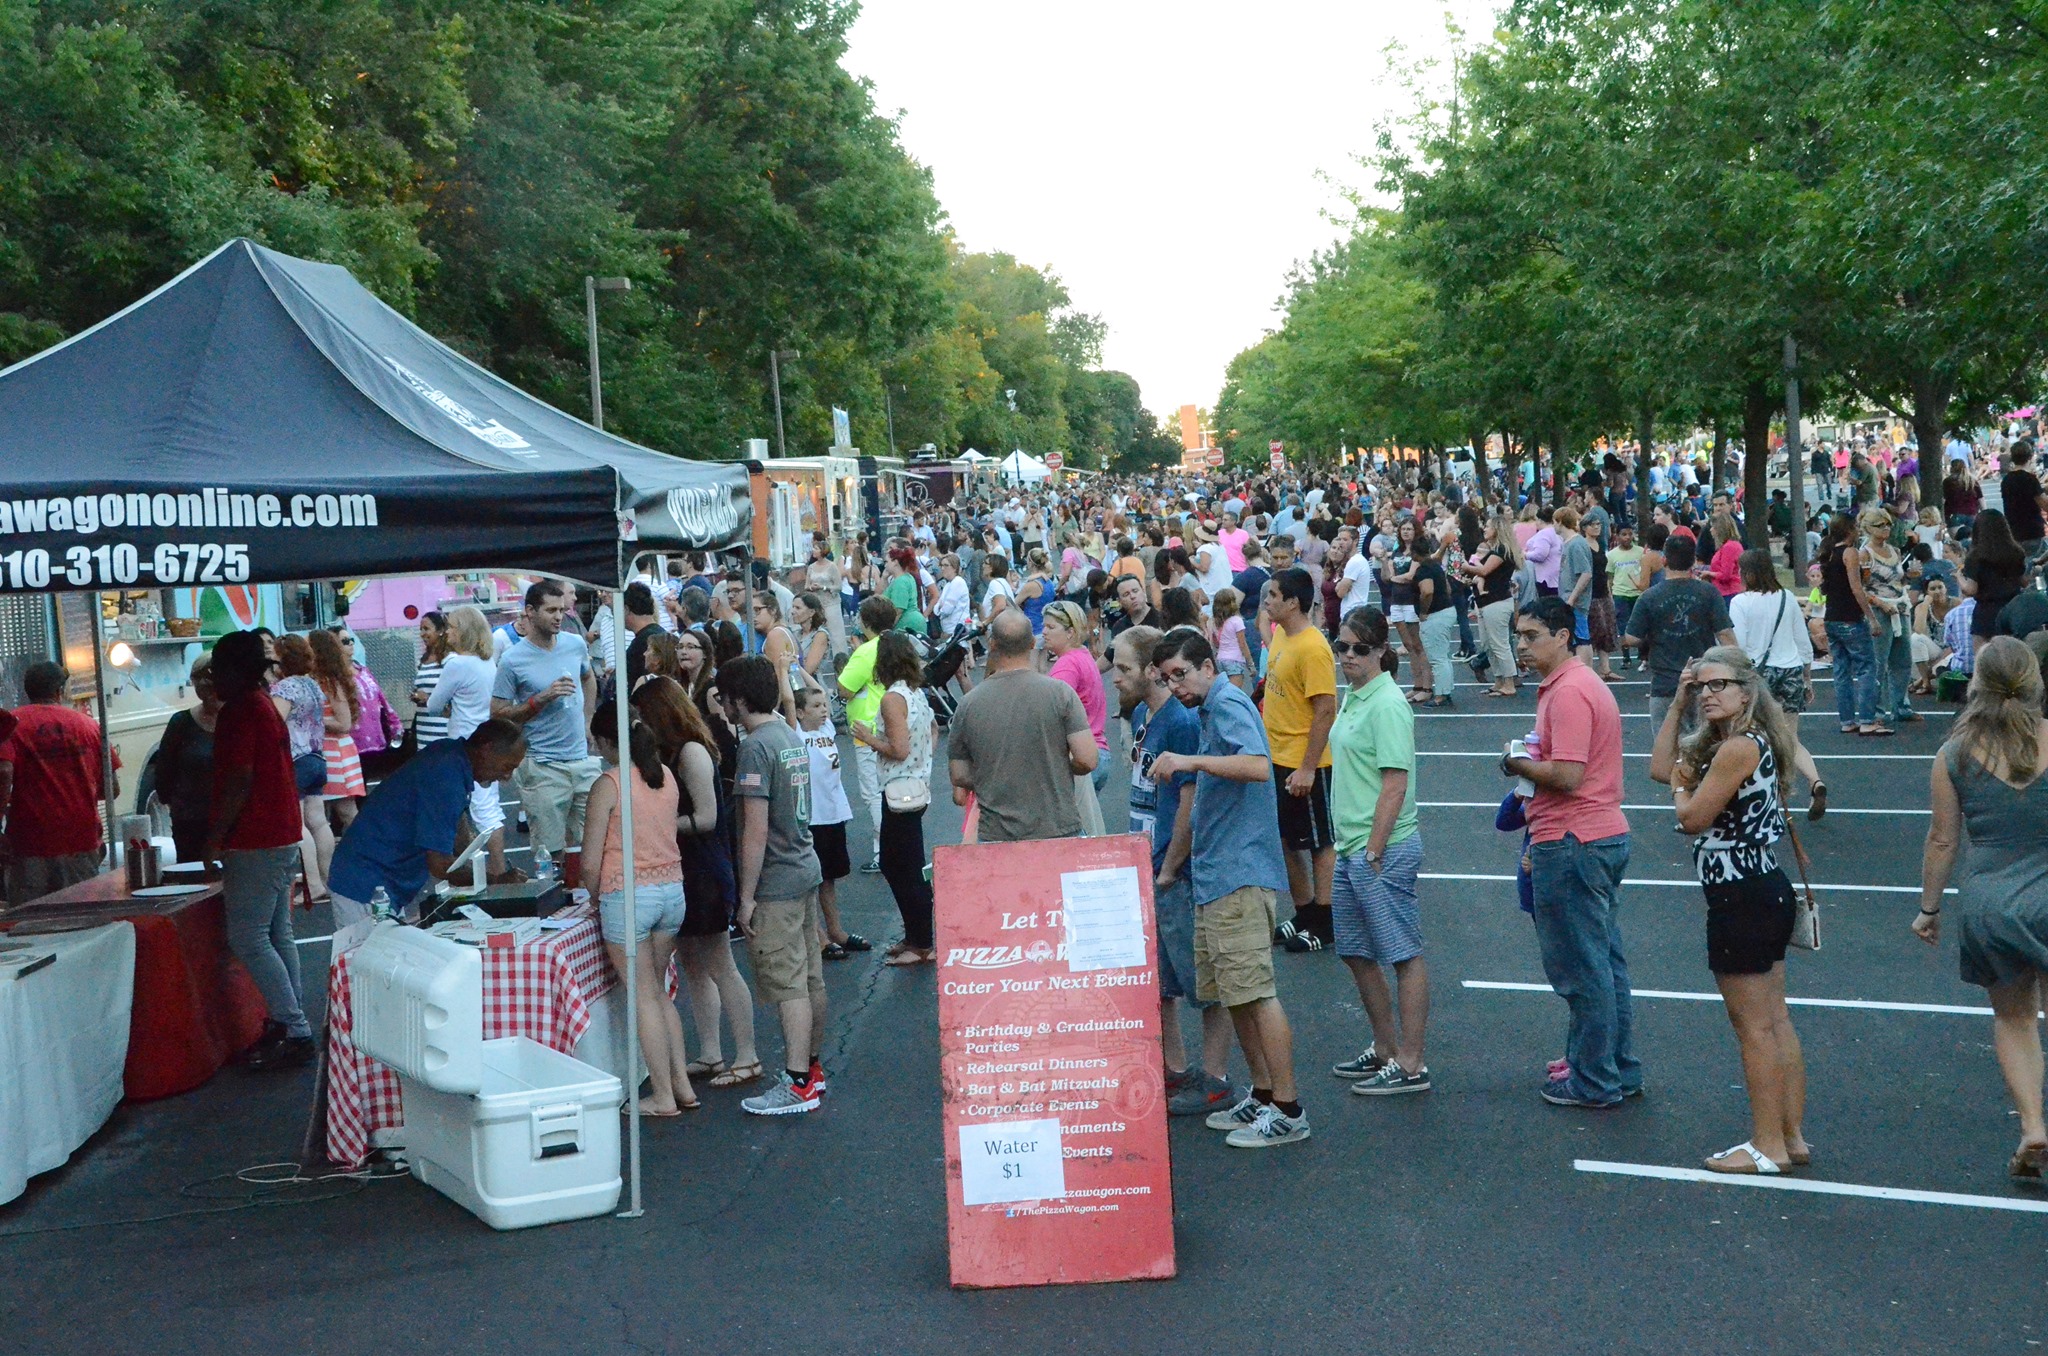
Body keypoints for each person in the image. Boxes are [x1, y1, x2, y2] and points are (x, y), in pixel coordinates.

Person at [1649, 649, 1810, 1174]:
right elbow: (1658, 767)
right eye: (1701, 687)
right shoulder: (1744, 743)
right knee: (1775, 1020)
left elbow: (1691, 817)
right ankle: (1790, 1136)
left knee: (1754, 1029)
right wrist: (1676, 706)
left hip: (1740, 897)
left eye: (1720, 684)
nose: (1708, 694)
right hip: (1764, 889)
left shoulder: (1737, 748)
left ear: (1747, 692)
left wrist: (1681, 788)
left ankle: (1767, 1146)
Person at [1149, 629, 1309, 1148]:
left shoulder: (1229, 702)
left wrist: (1191, 762)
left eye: (1181, 673)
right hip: (1216, 874)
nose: (1175, 686)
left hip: (1240, 874)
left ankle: (1288, 1108)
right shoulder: (1206, 712)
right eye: (1167, 678)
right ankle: (1263, 1095)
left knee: (1256, 992)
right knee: (1235, 995)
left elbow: (1259, 767)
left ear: (1206, 666)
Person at [1911, 637, 2048, 1181]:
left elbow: (1943, 840)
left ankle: (2034, 1125)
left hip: (1993, 903)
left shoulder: (1954, 755)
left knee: (2014, 1019)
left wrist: (1929, 909)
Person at [1503, 597, 1640, 1108]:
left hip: (1572, 840)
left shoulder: (1569, 691)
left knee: (1583, 971)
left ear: (1563, 636)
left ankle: (1594, 1080)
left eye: (1532, 634)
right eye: (1519, 635)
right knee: (1604, 964)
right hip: (1594, 835)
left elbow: (1567, 774)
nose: (1522, 644)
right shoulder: (1575, 686)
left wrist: (1515, 763)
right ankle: (1613, 1069)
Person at [1110, 625, 1236, 1118]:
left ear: (1151, 671)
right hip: (1145, 863)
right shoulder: (1143, 712)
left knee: (1202, 981)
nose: (1115, 677)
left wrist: (1171, 866)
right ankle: (1175, 1069)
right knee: (1158, 980)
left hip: (1171, 870)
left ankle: (1214, 1077)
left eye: (1124, 668)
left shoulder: (1181, 722)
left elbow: (1188, 800)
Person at [631, 675, 759, 1088]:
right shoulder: (676, 751)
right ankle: (710, 1053)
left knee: (720, 963)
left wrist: (659, 823)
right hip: (682, 869)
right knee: (693, 966)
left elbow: (707, 818)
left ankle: (747, 1055)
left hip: (702, 868)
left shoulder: (691, 752)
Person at [1327, 608, 1431, 1096]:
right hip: (1353, 848)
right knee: (1354, 950)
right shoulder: (1356, 696)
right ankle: (1385, 1048)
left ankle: (1411, 1063)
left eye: (1359, 649)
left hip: (1378, 850)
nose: (1348, 655)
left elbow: (1395, 780)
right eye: (1341, 645)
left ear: (1381, 652)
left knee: (1402, 953)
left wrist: (1373, 849)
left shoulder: (1387, 702)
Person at [721, 656, 828, 1115]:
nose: (722, 705)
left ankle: (798, 1081)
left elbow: (755, 829)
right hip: (805, 864)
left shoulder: (755, 747)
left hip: (777, 880)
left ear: (739, 700)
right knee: (810, 978)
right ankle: (812, 1070)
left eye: (724, 697)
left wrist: (745, 898)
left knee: (788, 985)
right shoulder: (787, 733)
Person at [205, 631, 316, 1070]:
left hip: (256, 835)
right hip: (283, 829)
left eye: (217, 669)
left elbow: (238, 778)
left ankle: (294, 1026)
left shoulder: (241, 711)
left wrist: (216, 834)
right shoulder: (264, 704)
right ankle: (289, 1022)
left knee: (248, 936)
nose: (213, 678)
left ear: (235, 670)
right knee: (276, 932)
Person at [580, 702, 696, 1116]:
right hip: (672, 892)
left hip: (627, 896)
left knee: (643, 996)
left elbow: (590, 861)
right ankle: (681, 1084)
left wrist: (591, 896)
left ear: (610, 741)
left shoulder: (608, 785)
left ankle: (663, 1095)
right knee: (660, 992)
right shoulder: (663, 775)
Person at [327, 722, 528, 928]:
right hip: (364, 884)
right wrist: (494, 881)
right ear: (486, 748)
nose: (506, 778)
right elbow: (440, 865)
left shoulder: (450, 754)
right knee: (366, 957)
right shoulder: (446, 777)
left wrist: (481, 871)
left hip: (378, 876)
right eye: (507, 767)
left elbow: (457, 828)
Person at [947, 609, 1097, 842]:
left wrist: (997, 775)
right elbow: (1087, 759)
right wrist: (1055, 768)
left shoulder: (969, 704)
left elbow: (959, 774)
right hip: (1056, 827)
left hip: (996, 832)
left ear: (992, 644)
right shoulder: (1060, 694)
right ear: (1030, 643)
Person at [490, 580, 601, 878]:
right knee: (550, 853)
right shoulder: (513, 660)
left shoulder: (575, 644)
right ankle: (557, 907)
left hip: (581, 760)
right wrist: (539, 700)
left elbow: (588, 678)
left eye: (562, 610)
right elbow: (497, 713)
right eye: (550, 610)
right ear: (529, 612)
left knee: (598, 843)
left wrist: (588, 717)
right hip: (542, 765)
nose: (558, 617)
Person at [1261, 567, 1339, 953]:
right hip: (1275, 756)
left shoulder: (1313, 647)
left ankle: (1324, 922)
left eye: (1273, 595)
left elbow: (1326, 710)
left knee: (1319, 842)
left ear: (1293, 602)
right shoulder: (1280, 635)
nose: (1267, 602)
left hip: (1306, 762)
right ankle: (1304, 912)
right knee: (1288, 840)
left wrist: (1307, 767)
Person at [850, 633, 937, 966]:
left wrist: (869, 738)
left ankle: (922, 942)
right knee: (900, 863)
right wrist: (924, 762)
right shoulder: (915, 693)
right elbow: (931, 732)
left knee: (902, 867)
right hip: (915, 785)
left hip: (899, 788)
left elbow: (898, 749)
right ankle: (915, 935)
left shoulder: (892, 698)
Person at [1729, 549, 1827, 816]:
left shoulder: (1740, 602)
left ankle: (1772, 793)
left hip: (1759, 675)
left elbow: (1739, 645)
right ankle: (1814, 780)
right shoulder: (1786, 597)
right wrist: (1807, 678)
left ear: (1747, 573)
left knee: (1756, 736)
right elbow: (1802, 641)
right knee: (1789, 737)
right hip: (1791, 669)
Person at [0, 661, 107, 905]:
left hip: (30, 845)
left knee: (31, 923)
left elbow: (4, 772)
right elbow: (110, 787)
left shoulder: (11, 725)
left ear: (27, 691)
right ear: (60, 691)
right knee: (83, 919)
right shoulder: (88, 726)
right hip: (82, 840)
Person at [1622, 533, 1736, 732]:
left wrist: (1651, 636)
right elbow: (1725, 634)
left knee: (1667, 748)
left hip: (1665, 684)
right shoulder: (1708, 593)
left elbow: (1632, 638)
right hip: (1703, 681)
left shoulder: (1649, 597)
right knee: (1707, 746)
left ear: (1664, 560)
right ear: (1693, 561)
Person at [795, 686, 867, 961]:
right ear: (800, 713)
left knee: (829, 877)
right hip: (813, 816)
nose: (823, 710)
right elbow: (790, 700)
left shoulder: (826, 730)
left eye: (824, 704)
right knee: (813, 879)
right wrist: (783, 668)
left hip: (834, 813)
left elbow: (815, 684)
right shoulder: (798, 733)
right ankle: (818, 935)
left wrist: (800, 670)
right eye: (815, 706)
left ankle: (836, 930)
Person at [837, 594, 897, 874]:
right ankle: (893, 847)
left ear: (864, 621)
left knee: (873, 793)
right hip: (896, 723)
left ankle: (882, 851)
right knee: (892, 789)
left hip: (868, 728)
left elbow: (844, 688)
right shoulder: (898, 645)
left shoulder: (865, 651)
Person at [272, 635, 335, 894]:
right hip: (317, 757)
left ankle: (313, 884)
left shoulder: (284, 688)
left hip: (295, 760)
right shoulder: (312, 686)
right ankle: (329, 879)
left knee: (297, 825)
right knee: (318, 822)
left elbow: (275, 721)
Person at [1042, 601, 1109, 834]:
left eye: (1051, 627)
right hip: (1099, 751)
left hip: (1079, 758)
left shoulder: (1066, 665)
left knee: (1076, 839)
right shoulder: (1083, 655)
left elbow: (1052, 714)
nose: (1044, 632)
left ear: (1070, 632)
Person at [155, 654, 221, 864]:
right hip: (190, 821)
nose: (206, 687)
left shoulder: (240, 720)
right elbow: (164, 771)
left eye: (211, 679)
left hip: (231, 821)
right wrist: (174, 803)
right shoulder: (180, 722)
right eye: (200, 680)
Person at [1860, 508, 1918, 728]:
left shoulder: (1894, 550)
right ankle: (1876, 710)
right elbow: (1861, 588)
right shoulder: (1865, 554)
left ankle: (1901, 705)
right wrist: (1880, 604)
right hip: (1880, 610)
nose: (1886, 529)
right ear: (1869, 528)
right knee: (1878, 662)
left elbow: (1898, 581)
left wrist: (1911, 578)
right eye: (1880, 525)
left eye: (1888, 525)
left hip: (1900, 607)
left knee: (1903, 659)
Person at [308, 629, 367, 832]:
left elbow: (343, 723)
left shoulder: (329, 682)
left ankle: (363, 852)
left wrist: (312, 718)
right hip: (331, 752)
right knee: (327, 812)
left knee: (345, 811)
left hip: (335, 753)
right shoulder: (323, 679)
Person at [1999, 440, 2048, 567]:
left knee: (2020, 567)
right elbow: (2045, 505)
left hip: (2013, 530)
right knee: (2035, 568)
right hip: (2032, 530)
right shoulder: (2030, 479)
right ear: (2030, 457)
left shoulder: (2006, 480)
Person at [410, 611, 451, 746]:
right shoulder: (423, 660)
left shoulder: (450, 660)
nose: (422, 634)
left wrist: (427, 699)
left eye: (426, 629)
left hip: (443, 731)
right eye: (421, 629)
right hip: (423, 731)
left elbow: (455, 699)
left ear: (440, 630)